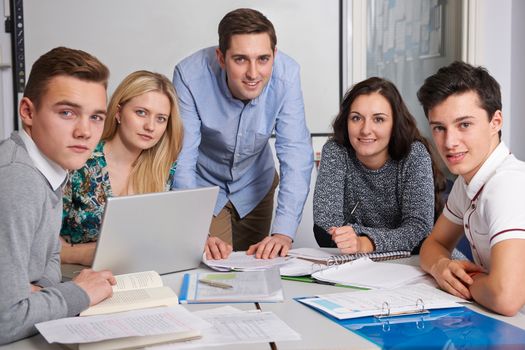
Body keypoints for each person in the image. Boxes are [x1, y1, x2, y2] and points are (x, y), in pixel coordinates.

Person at [173, 8, 313, 260]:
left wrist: (284, 232)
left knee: (257, 269)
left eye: (263, 59)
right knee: (211, 270)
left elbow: (296, 152)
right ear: (221, 57)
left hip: (255, 185)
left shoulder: (287, 75)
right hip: (204, 187)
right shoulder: (189, 76)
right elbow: (182, 158)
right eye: (240, 59)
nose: (253, 73)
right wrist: (191, 230)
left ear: (274, 55)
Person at [0, 47, 116, 344]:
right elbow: (5, 320)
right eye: (67, 113)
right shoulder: (17, 178)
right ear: (28, 112)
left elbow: (50, 255)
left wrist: (44, 294)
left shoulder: (50, 165)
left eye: (96, 117)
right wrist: (78, 293)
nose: (84, 132)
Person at [417, 61, 525, 316]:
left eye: (464, 124)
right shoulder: (469, 181)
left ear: (495, 121)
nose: (450, 142)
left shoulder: (506, 185)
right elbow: (433, 244)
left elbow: (505, 297)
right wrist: (442, 266)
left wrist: (462, 281)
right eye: (439, 128)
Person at [60, 70, 184, 266]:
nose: (150, 126)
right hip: (74, 275)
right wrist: (84, 255)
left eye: (161, 118)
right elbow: (42, 244)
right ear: (118, 112)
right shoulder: (80, 163)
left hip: (139, 273)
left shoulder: (164, 169)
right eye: (141, 112)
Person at [313, 77, 445, 254]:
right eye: (356, 118)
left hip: (418, 263)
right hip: (355, 265)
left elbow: (419, 230)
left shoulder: (414, 154)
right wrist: (393, 237)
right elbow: (324, 225)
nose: (366, 129)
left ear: (395, 124)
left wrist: (365, 243)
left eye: (379, 119)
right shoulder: (336, 151)